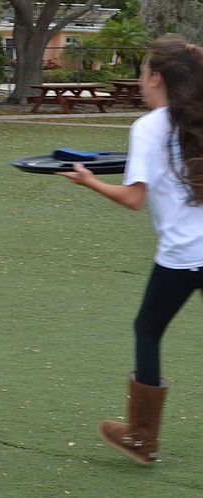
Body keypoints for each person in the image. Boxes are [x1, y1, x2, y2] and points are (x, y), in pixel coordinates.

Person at [57, 35, 203, 465]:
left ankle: (142, 437)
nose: (139, 79)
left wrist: (89, 181)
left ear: (156, 77)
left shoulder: (149, 127)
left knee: (147, 330)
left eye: (142, 71)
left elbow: (133, 199)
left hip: (184, 254)